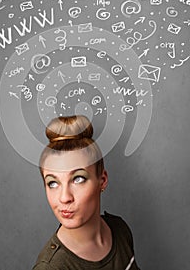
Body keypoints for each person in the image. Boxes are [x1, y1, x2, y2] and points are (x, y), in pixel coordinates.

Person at [32, 115, 141, 270]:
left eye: (78, 179)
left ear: (102, 180)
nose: (64, 198)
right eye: (53, 183)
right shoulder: (51, 267)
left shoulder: (120, 230)